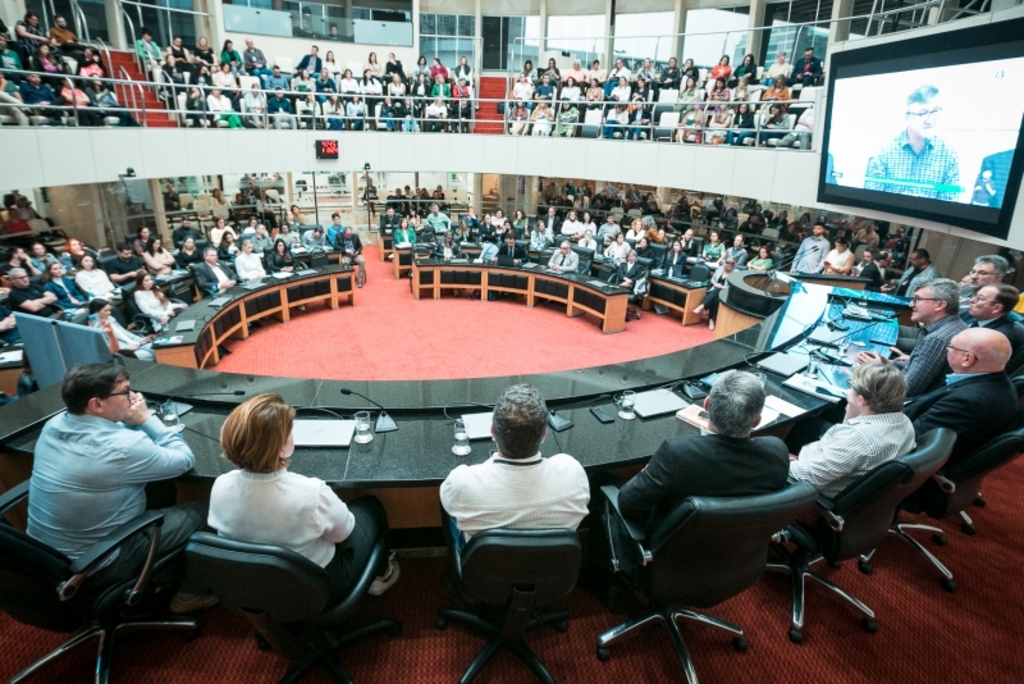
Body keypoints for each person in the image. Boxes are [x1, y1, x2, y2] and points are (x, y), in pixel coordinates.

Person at [27, 363, 214, 612]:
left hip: (43, 561)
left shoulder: (54, 424)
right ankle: (188, 596)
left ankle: (163, 576)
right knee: (212, 510)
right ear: (96, 404)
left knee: (159, 490)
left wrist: (127, 418)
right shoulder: (122, 449)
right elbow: (183, 459)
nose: (132, 397)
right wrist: (147, 418)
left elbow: (111, 444)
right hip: (98, 566)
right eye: (125, 392)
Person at [210, 393, 399, 601]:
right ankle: (382, 576)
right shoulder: (311, 492)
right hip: (316, 588)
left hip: (252, 587)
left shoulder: (220, 485)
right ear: (281, 446)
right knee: (370, 507)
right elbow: (343, 534)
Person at [614, 371, 788, 539]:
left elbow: (627, 504)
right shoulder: (777, 452)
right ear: (757, 421)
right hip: (743, 554)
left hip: (677, 553)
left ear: (706, 404)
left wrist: (646, 472)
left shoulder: (678, 453)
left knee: (602, 480)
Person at [440, 384, 589, 550]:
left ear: (492, 431)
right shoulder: (573, 473)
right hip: (554, 570)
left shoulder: (461, 483)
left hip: (488, 570)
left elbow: (449, 501)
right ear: (544, 434)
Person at [789, 364, 915, 497]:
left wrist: (783, 461)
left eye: (851, 387)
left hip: (812, 493)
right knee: (808, 424)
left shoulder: (857, 438)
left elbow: (804, 475)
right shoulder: (905, 421)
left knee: (771, 447)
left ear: (861, 400)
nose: (848, 393)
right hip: (852, 478)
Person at [904, 328, 1017, 467]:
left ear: (967, 359)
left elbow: (909, 439)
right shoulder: (996, 382)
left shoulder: (966, 402)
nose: (947, 350)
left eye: (950, 347)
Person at [857, 278, 967, 397]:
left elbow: (906, 389)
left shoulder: (936, 339)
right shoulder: (957, 325)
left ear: (940, 305)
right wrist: (889, 364)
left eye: (917, 299)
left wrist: (878, 369)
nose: (911, 304)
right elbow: (922, 369)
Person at [865, 85, 959, 201]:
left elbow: (950, 204)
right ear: (907, 118)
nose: (930, 120)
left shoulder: (949, 155)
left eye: (935, 111)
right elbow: (872, 200)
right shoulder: (884, 152)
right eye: (922, 113)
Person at [964, 284, 1024, 353]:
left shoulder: (998, 338)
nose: (971, 300)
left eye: (980, 298)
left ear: (996, 308)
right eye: (975, 296)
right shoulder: (970, 315)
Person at [89, 299, 154, 360]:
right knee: (154, 353)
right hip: (125, 352)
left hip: (136, 344)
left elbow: (124, 333)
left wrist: (140, 340)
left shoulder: (110, 318)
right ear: (96, 312)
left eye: (109, 310)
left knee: (158, 348)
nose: (109, 313)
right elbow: (108, 347)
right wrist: (128, 349)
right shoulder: (95, 329)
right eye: (105, 311)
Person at [693, 257, 736, 331]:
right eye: (726, 264)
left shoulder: (735, 273)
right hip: (714, 290)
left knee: (717, 292)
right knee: (715, 299)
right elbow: (712, 279)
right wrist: (715, 284)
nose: (727, 267)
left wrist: (722, 287)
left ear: (733, 266)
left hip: (726, 292)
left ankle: (702, 306)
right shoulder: (719, 269)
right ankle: (711, 320)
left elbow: (733, 286)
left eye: (730, 265)